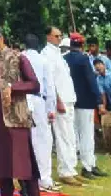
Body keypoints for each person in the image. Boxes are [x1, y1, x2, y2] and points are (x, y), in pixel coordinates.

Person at [0, 25, 40, 196]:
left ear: (1, 38)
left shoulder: (18, 58)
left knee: (24, 167)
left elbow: (34, 84)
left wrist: (13, 88)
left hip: (16, 120)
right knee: (2, 169)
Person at [41, 26, 80, 186]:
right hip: (60, 101)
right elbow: (50, 81)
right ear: (49, 36)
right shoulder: (47, 54)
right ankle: (65, 171)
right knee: (63, 136)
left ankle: (71, 169)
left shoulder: (58, 53)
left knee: (70, 136)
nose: (59, 38)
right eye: (57, 36)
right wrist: (57, 100)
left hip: (69, 98)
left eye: (60, 36)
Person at [65, 32, 107, 179]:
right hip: (86, 102)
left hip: (71, 101)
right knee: (87, 135)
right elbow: (90, 81)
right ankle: (88, 166)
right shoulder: (84, 59)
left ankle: (84, 164)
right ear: (82, 45)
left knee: (75, 135)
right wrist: (99, 101)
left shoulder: (65, 59)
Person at [23, 34, 58, 192]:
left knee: (25, 140)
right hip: (38, 101)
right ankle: (44, 178)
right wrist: (51, 109)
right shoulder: (43, 60)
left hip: (22, 100)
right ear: (38, 45)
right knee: (43, 140)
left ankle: (27, 178)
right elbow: (49, 86)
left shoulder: (19, 57)